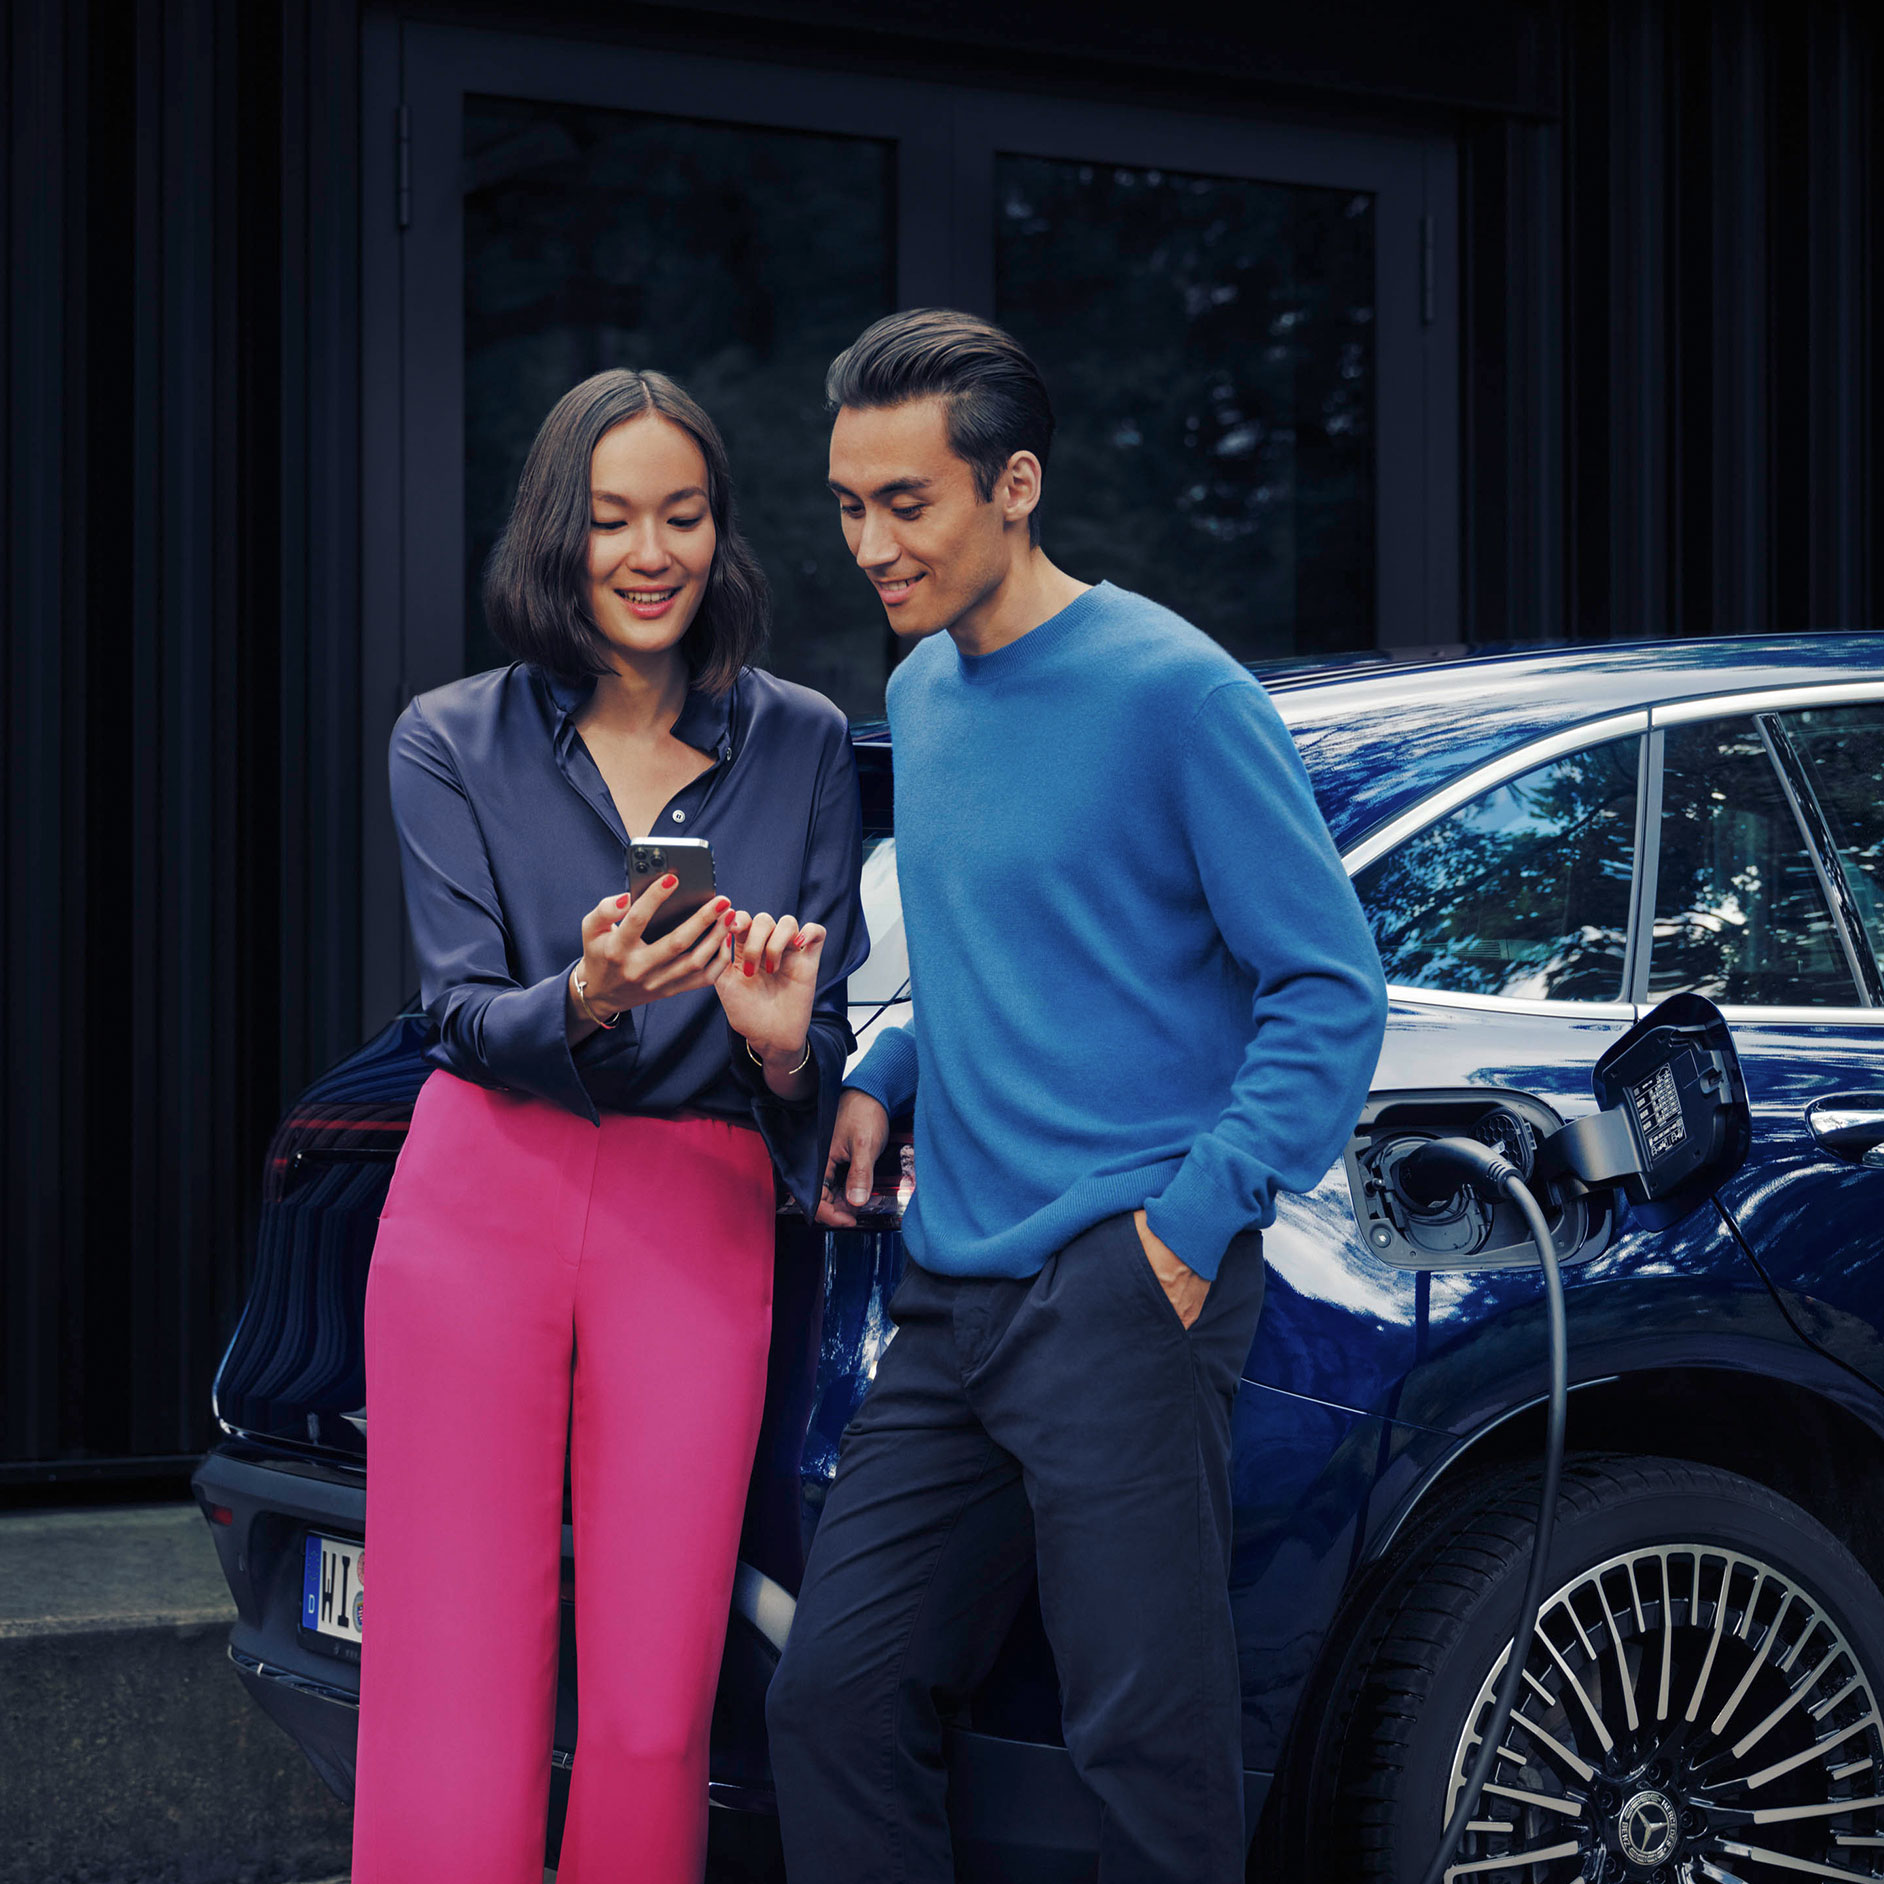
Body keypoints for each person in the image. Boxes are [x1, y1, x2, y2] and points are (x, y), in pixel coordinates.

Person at [764, 310, 1388, 1883]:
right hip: (952, 1293)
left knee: (1143, 1748)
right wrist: (888, 1067)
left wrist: (1187, 1227)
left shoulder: (1177, 694)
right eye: (849, 505)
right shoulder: (927, 696)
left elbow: (1328, 987)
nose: (871, 544)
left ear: (1016, 484)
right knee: (833, 1700)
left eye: (907, 503)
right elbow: (1010, 941)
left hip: (1122, 1284)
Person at [350, 369, 866, 1884]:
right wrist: (582, 992)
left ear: (722, 534)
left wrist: (783, 1053)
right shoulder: (448, 739)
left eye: (684, 515)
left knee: (655, 1695)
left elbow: (813, 1050)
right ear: (553, 537)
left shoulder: (808, 742)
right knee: (453, 1679)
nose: (650, 553)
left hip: (695, 1210)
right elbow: (455, 1015)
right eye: (611, 518)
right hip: (479, 1198)